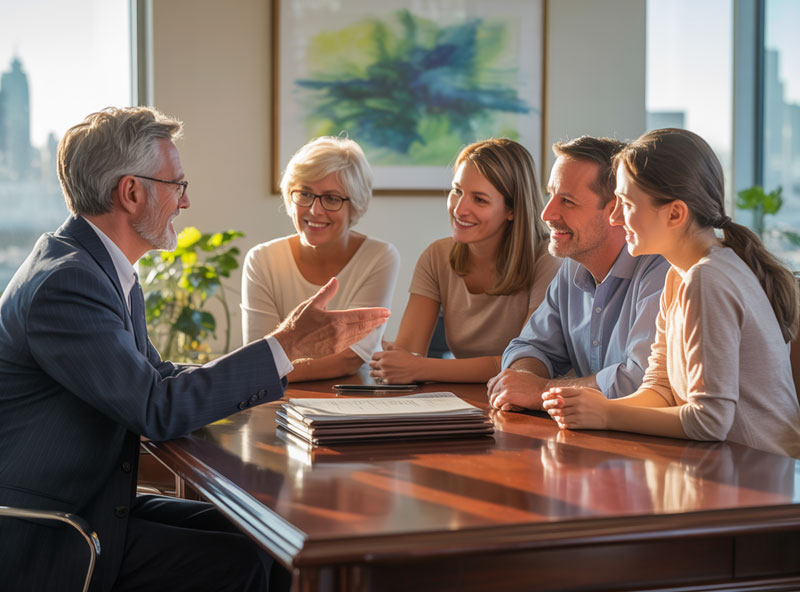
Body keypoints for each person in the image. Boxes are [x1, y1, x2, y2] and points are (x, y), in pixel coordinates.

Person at [0, 106, 389, 591]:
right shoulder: (69, 283)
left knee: (270, 537)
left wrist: (278, 370)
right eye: (177, 185)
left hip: (92, 502)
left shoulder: (97, 266)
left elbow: (156, 376)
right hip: (53, 531)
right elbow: (154, 408)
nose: (184, 202)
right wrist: (286, 344)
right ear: (132, 191)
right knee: (239, 561)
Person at [542, 128, 800, 458]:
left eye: (626, 203)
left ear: (675, 213)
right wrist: (596, 407)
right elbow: (660, 389)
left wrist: (607, 414)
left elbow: (709, 421)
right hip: (718, 466)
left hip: (758, 477)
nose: (616, 218)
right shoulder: (679, 277)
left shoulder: (707, 280)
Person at [488, 136, 670, 411]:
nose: (546, 214)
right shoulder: (572, 267)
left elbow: (642, 382)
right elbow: (528, 347)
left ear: (616, 210)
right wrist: (523, 379)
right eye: (551, 195)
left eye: (568, 201)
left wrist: (542, 391)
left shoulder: (663, 271)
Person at [369, 138, 561, 384]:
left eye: (479, 199)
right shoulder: (436, 257)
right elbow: (408, 355)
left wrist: (420, 368)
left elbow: (524, 363)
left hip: (533, 404)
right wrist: (390, 360)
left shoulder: (547, 260)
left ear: (512, 209)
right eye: (457, 191)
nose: (459, 209)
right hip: (470, 401)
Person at [242, 136, 399, 381]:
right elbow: (257, 355)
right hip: (280, 400)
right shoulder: (262, 260)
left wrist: (268, 370)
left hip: (356, 398)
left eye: (332, 198)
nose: (315, 210)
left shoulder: (379, 257)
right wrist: (261, 368)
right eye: (305, 194)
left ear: (355, 206)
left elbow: (350, 359)